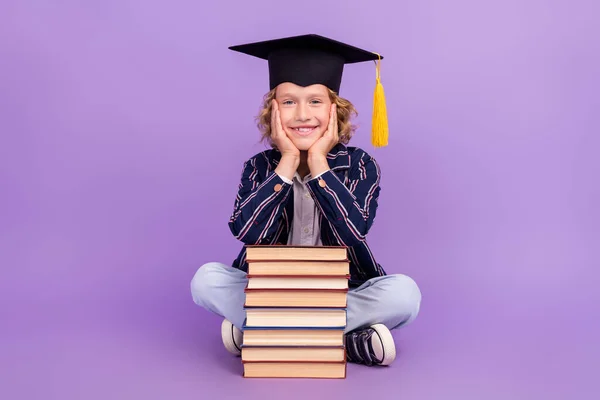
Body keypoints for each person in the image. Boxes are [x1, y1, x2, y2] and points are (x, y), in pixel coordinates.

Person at [191, 34, 421, 367]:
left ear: (335, 110)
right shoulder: (258, 167)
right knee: (206, 280)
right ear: (273, 111)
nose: (302, 114)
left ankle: (261, 332)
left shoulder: (360, 165)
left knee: (404, 294)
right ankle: (348, 341)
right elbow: (249, 234)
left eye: (315, 101)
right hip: (268, 291)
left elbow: (351, 233)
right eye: (288, 102)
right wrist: (286, 162)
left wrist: (317, 163)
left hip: (341, 292)